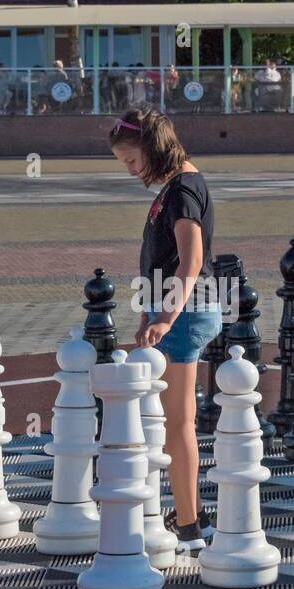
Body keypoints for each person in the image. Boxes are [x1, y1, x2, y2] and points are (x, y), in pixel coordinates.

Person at [109, 107, 219, 553]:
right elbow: (160, 260)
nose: (132, 171)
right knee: (175, 422)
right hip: (177, 307)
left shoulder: (183, 189)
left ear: (154, 148)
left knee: (178, 424)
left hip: (186, 310)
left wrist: (166, 316)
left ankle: (190, 523)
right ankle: (189, 513)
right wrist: (146, 312)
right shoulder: (177, 187)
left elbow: (190, 259)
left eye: (132, 160)